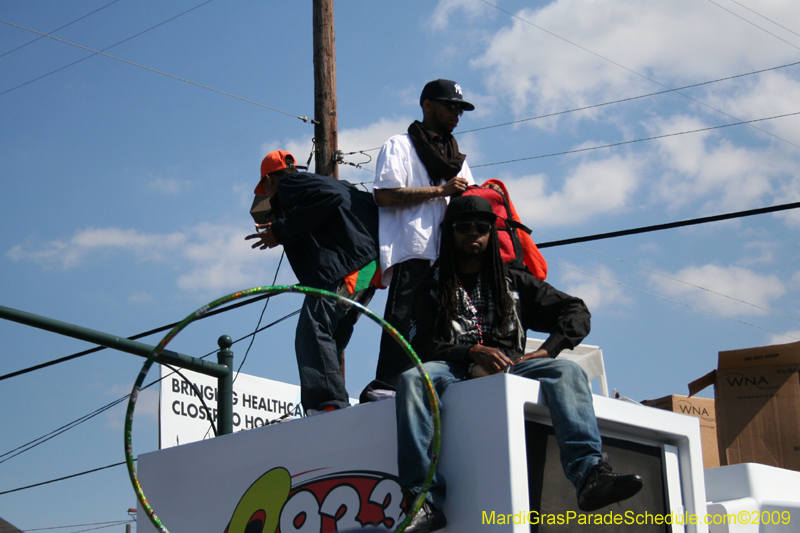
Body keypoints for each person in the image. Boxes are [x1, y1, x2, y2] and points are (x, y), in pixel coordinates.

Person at [396, 196, 643, 533]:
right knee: (413, 378)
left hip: (512, 364)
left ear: (490, 233)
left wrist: (550, 349)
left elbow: (576, 310)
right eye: (464, 227)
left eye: (482, 228)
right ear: (449, 233)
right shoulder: (432, 284)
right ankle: (424, 499)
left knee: (568, 370)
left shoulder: (514, 278)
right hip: (454, 367)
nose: (473, 233)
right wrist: (470, 352)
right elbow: (419, 344)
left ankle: (588, 477)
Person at [245, 150, 380, 415]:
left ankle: (327, 402)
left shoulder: (289, 185)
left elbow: (331, 199)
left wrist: (281, 230)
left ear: (270, 180)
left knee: (313, 329)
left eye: (266, 188)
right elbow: (353, 201)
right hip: (370, 268)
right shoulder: (326, 182)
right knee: (332, 335)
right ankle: (334, 401)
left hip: (347, 267)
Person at [367, 79, 477, 395]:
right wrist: (440, 191)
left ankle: (441, 388)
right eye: (450, 105)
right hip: (412, 250)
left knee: (447, 330)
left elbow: (467, 201)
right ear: (427, 105)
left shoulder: (457, 158)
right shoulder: (399, 145)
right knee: (402, 327)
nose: (457, 113)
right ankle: (387, 388)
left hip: (448, 257)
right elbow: (384, 195)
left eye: (461, 108)